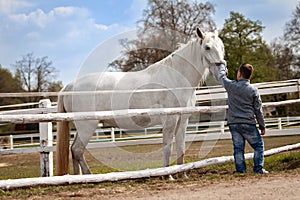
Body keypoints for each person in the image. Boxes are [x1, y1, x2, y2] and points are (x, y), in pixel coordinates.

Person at [216, 62, 269, 174]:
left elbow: (222, 77)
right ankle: (258, 169)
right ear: (250, 76)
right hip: (248, 123)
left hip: (234, 123)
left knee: (238, 148)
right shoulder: (253, 90)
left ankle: (241, 171)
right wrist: (262, 126)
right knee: (258, 146)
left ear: (239, 74)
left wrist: (222, 65)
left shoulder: (231, 86)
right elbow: (258, 110)